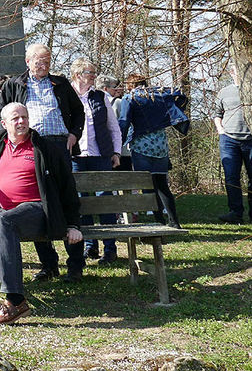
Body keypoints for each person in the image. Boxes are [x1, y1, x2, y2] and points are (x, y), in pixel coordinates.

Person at [0, 103, 82, 324]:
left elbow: (67, 189)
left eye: (24, 117)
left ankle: (15, 300)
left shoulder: (45, 148)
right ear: (4, 124)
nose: (21, 122)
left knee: (4, 220)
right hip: (5, 213)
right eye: (15, 119)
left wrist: (73, 224)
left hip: (38, 212)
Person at [0, 43, 84, 282]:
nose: (44, 65)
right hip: (31, 147)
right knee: (37, 201)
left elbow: (78, 112)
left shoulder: (61, 83)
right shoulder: (14, 84)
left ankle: (75, 264)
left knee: (65, 198)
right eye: (39, 60)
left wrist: (74, 134)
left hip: (59, 146)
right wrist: (11, 138)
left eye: (47, 60)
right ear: (28, 61)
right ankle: (49, 265)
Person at [67, 58, 123, 269]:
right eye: (90, 72)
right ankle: (89, 245)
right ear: (78, 74)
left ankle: (110, 249)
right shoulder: (66, 96)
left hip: (101, 156)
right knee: (81, 203)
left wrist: (116, 152)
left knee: (105, 201)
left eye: (94, 72)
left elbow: (113, 127)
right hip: (76, 158)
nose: (94, 76)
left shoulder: (101, 97)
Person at [118, 73, 189, 229]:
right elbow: (180, 98)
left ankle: (159, 221)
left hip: (141, 145)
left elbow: (124, 123)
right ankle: (174, 222)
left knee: (148, 186)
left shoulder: (130, 98)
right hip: (160, 145)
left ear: (130, 85)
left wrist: (117, 145)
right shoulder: (159, 96)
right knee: (162, 185)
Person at [213, 63, 252, 224]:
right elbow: (216, 113)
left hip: (250, 139)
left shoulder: (250, 90)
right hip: (229, 140)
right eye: (237, 69)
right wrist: (220, 130)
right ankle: (235, 213)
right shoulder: (224, 92)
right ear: (231, 72)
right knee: (231, 178)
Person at [96, 74, 130, 170]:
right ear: (105, 89)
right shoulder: (118, 102)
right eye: (115, 87)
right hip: (121, 151)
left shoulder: (91, 102)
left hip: (100, 150)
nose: (117, 89)